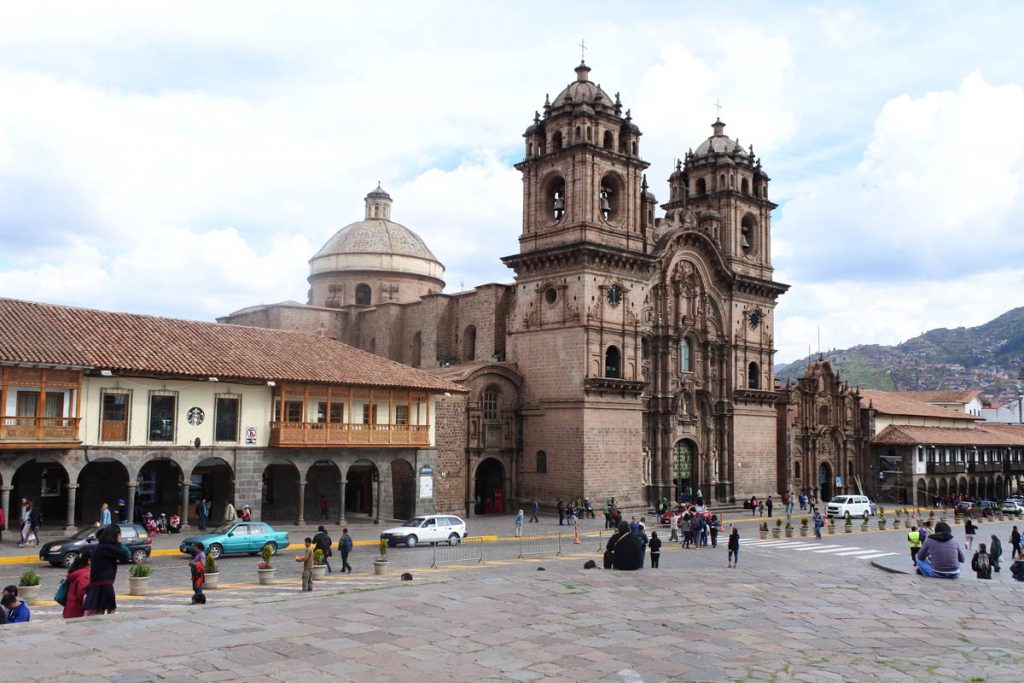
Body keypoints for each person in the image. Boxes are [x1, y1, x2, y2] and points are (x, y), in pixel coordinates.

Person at [83, 524, 131, 615]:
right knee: (110, 609)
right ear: (116, 535)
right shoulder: (107, 547)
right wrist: (119, 543)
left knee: (100, 609)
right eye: (120, 535)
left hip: (97, 582)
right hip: (104, 584)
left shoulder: (101, 546)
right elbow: (126, 556)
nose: (121, 537)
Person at [62, 553, 91, 619]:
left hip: (70, 612)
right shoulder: (85, 575)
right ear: (89, 561)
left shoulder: (77, 572)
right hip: (79, 615)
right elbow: (83, 596)